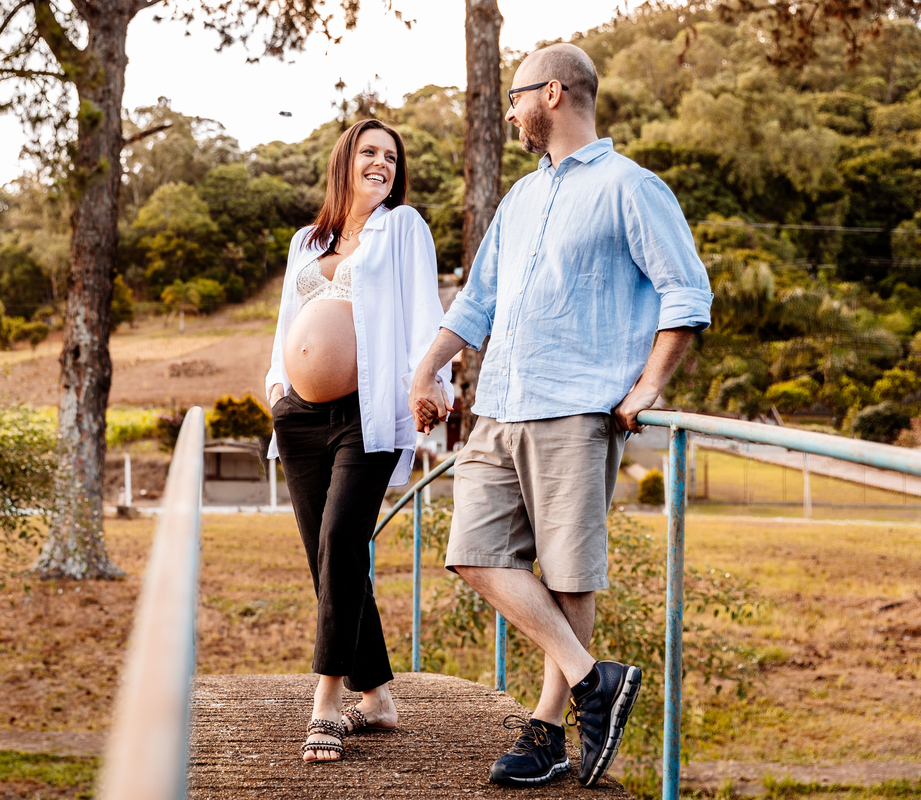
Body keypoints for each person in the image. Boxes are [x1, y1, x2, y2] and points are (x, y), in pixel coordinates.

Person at [409, 43, 712, 788]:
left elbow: (686, 294)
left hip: (577, 408)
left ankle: (547, 731)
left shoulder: (631, 187)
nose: (510, 113)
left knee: (570, 576)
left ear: (551, 93)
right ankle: (592, 679)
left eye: (515, 99)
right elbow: (477, 300)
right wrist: (427, 366)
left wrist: (648, 387)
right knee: (472, 552)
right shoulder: (520, 198)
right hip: (499, 404)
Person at [265, 118, 453, 763]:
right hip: (298, 417)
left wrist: (431, 384)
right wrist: (277, 388)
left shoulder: (402, 229)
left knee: (343, 540)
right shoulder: (307, 240)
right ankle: (377, 697)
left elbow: (425, 311)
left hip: (366, 414)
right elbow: (287, 324)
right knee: (325, 555)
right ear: (344, 161)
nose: (381, 164)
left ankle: (327, 701)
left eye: (391, 158)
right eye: (369, 152)